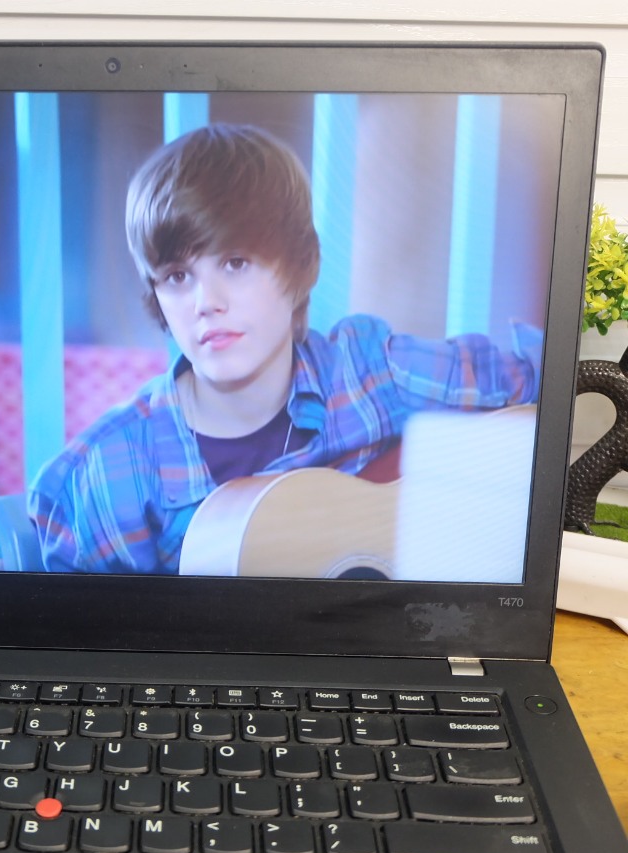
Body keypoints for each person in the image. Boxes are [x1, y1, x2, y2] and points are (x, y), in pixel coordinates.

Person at [28, 123, 541, 574]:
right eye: (179, 276)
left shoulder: (373, 373)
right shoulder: (111, 473)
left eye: (235, 263)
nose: (206, 303)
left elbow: (546, 379)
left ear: (299, 269)